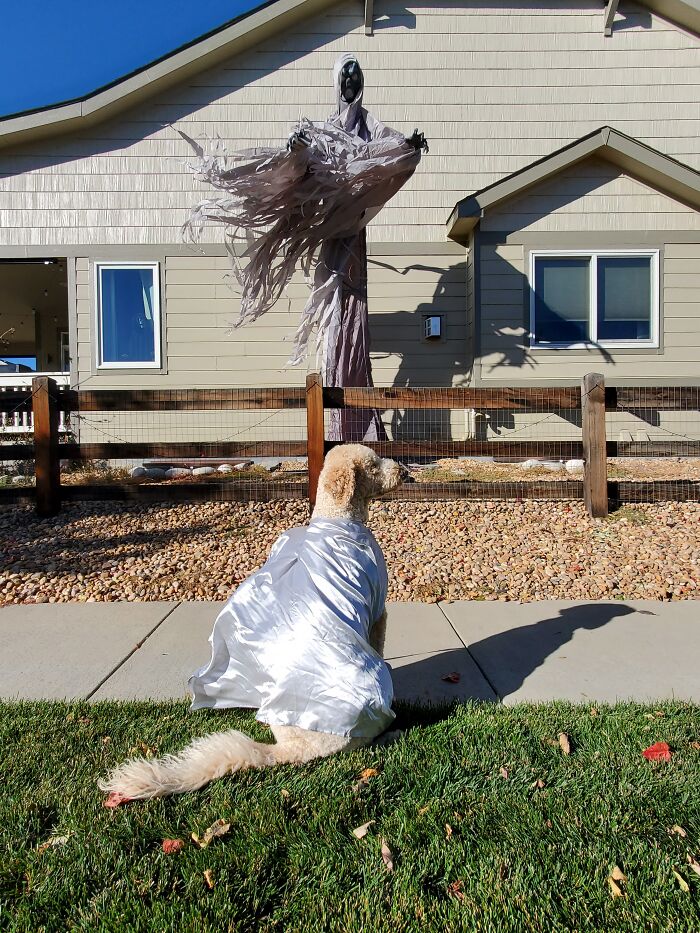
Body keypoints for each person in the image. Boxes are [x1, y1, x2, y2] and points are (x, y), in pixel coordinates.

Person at [182, 54, 428, 440]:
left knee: (354, 318)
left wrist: (409, 147)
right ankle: (338, 427)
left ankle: (358, 427)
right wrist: (297, 151)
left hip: (352, 235)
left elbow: (392, 149)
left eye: (355, 78)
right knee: (333, 318)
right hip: (334, 236)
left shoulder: (369, 126)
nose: (350, 85)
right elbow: (303, 163)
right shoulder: (327, 132)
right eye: (345, 79)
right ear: (336, 84)